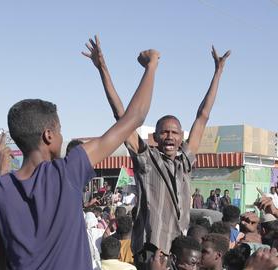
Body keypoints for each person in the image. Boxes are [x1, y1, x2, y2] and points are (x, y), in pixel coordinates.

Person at [0, 41, 159, 270]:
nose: (63, 136)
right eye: (61, 130)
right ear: (49, 135)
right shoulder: (67, 171)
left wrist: (1, 171)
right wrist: (151, 66)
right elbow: (133, 118)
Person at [86, 35, 230, 258]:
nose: (170, 137)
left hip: (178, 251)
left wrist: (218, 72)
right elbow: (122, 116)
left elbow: (202, 117)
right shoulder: (147, 159)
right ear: (155, 137)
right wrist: (102, 69)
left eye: (174, 133)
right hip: (152, 251)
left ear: (181, 137)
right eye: (164, 132)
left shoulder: (185, 162)